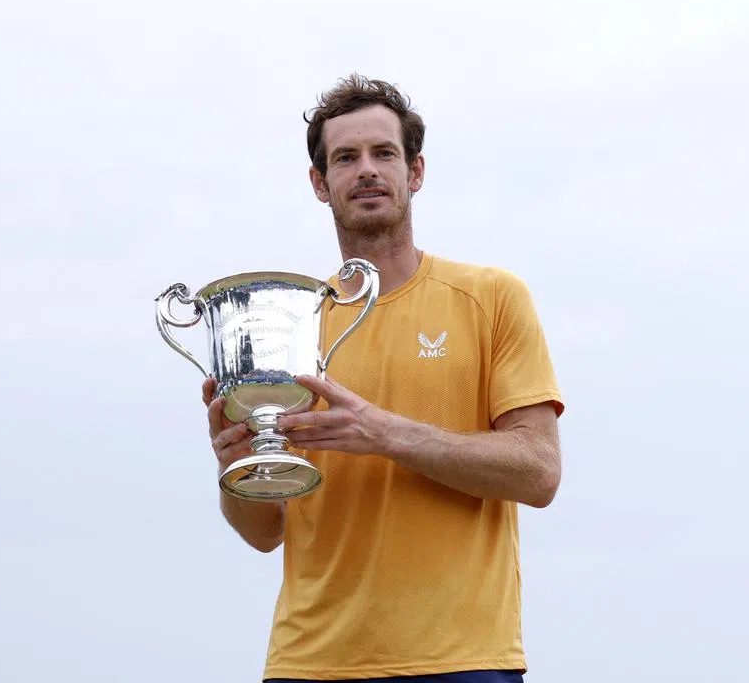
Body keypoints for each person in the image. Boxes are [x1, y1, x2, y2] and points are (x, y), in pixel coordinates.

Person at [202, 74, 565, 682]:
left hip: (462, 662)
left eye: (383, 153)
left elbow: (539, 471)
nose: (366, 170)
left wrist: (384, 432)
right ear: (321, 184)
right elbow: (264, 533)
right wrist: (235, 467)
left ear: (415, 172)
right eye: (345, 157)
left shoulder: (492, 297)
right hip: (309, 664)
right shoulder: (288, 326)